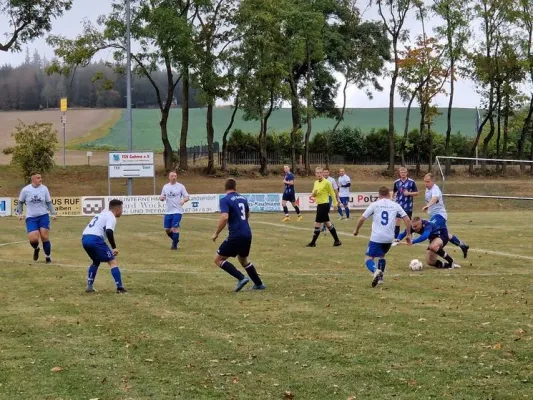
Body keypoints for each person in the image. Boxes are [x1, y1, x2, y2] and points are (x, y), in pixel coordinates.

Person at [212, 178, 265, 292]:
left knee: (218, 259)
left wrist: (216, 233)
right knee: (243, 259)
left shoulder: (225, 200)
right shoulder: (243, 198)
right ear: (235, 187)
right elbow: (248, 215)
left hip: (236, 235)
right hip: (247, 233)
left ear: (225, 188)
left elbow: (225, 217)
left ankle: (241, 278)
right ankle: (259, 284)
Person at [353, 186, 412, 287]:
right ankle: (380, 279)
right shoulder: (395, 205)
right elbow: (407, 219)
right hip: (389, 238)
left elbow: (362, 219)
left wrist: (356, 230)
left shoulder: (375, 205)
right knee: (381, 255)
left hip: (377, 237)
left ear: (379, 195)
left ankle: (376, 271)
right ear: (389, 194)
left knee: (368, 258)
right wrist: (408, 234)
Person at [82, 199, 127, 294]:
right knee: (112, 262)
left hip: (85, 238)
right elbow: (109, 231)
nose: (122, 211)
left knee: (96, 261)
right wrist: (114, 247)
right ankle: (120, 288)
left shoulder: (103, 213)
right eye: (122, 208)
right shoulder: (111, 217)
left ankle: (89, 286)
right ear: (117, 209)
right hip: (95, 239)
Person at [423, 173, 469, 258]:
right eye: (425, 182)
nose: (426, 184)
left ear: (433, 181)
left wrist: (428, 205)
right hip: (434, 216)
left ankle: (435, 248)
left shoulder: (435, 189)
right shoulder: (428, 189)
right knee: (445, 235)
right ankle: (463, 245)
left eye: (428, 182)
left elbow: (435, 198)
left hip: (440, 215)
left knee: (430, 227)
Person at [15, 172, 57, 263]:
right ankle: (36, 248)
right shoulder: (25, 190)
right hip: (31, 217)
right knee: (33, 239)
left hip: (43, 216)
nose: (40, 179)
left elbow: (49, 202)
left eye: (40, 177)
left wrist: (53, 213)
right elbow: (20, 202)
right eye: (38, 178)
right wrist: (20, 213)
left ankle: (48, 257)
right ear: (33, 179)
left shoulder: (44, 188)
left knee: (44, 236)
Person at [306, 167, 342, 247]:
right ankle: (337, 241)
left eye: (320, 173)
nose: (319, 174)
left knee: (317, 223)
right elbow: (313, 195)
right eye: (317, 173)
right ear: (315, 174)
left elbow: (332, 193)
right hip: (319, 205)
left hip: (324, 205)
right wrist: (314, 193)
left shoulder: (327, 183)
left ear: (322, 174)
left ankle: (313, 243)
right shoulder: (316, 182)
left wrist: (335, 203)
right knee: (327, 223)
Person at [160, 171, 190, 250]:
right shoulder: (165, 187)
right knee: (167, 229)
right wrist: (162, 198)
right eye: (172, 176)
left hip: (177, 211)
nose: (174, 177)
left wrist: (183, 201)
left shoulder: (180, 186)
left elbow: (187, 196)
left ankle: (174, 246)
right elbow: (162, 196)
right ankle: (176, 240)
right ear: (169, 177)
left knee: (174, 228)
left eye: (175, 176)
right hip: (168, 211)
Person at [393, 167, 419, 238]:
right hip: (399, 205)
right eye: (401, 172)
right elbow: (394, 192)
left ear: (406, 173)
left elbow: (417, 193)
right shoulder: (396, 182)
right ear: (399, 173)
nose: (403, 174)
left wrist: (409, 193)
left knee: (408, 222)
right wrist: (392, 199)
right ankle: (396, 238)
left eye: (404, 172)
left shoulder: (411, 182)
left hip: (408, 205)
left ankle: (410, 235)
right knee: (397, 221)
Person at [322, 168, 340, 233]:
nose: (326, 173)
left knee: (325, 212)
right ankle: (330, 224)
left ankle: (324, 227)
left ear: (329, 173)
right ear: (323, 173)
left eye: (327, 172)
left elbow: (336, 190)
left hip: (329, 197)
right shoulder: (321, 180)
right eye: (324, 172)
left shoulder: (332, 180)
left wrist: (338, 199)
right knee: (323, 212)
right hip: (322, 198)